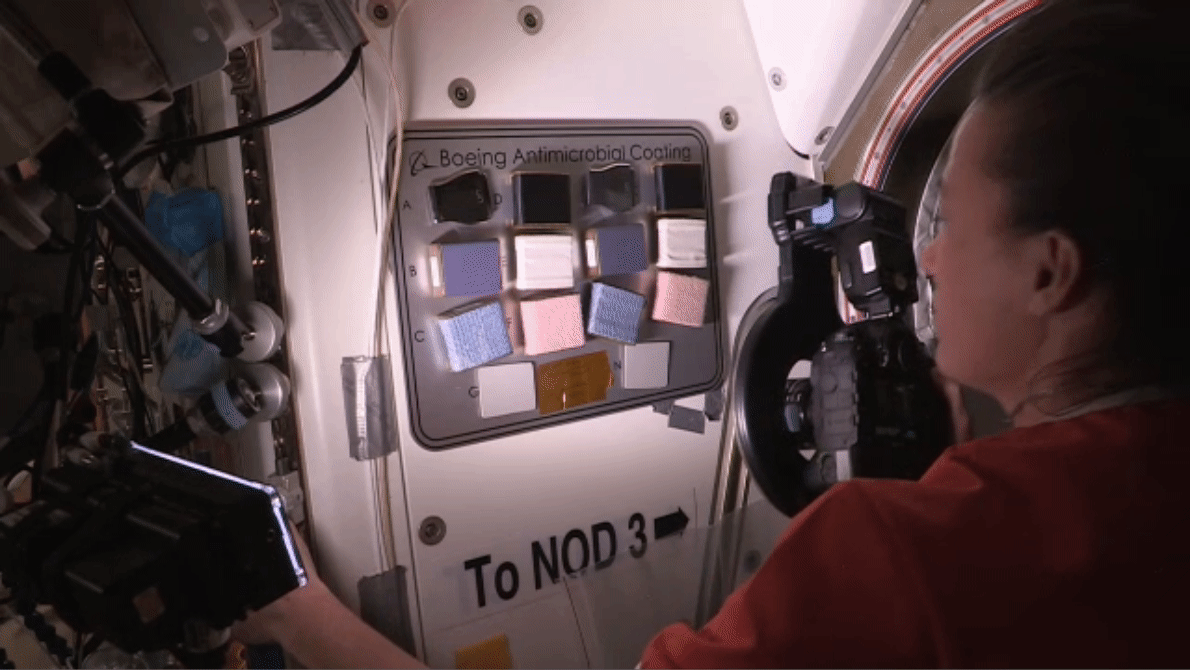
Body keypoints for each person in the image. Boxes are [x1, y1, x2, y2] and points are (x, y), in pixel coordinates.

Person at [235, 0, 1190, 666]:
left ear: (1049, 272)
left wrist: (305, 617)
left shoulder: (906, 565)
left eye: (952, 230)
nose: (927, 261)